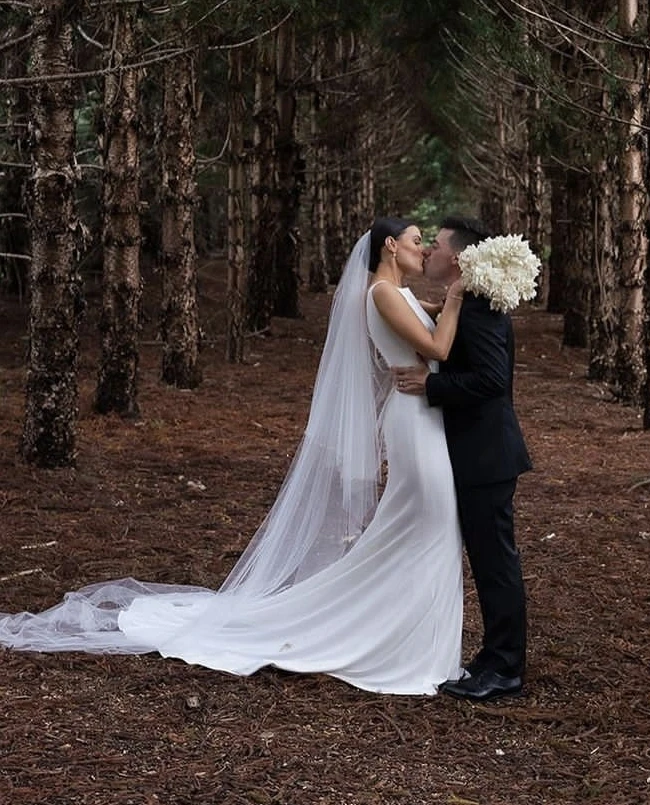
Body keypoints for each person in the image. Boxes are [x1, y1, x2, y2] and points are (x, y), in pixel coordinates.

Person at [0, 217, 468, 696]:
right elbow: (437, 345)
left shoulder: (397, 294)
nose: (422, 248)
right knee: (430, 518)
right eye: (415, 241)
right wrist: (454, 298)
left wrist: (465, 289)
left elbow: (426, 316)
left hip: (423, 414)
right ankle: (393, 636)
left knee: (426, 523)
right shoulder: (381, 293)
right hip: (412, 419)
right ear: (390, 246)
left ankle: (402, 630)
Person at [393, 215, 532, 702]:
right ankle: (493, 657)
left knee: (496, 564)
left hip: (488, 455)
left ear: (456, 257)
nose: (427, 252)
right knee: (488, 561)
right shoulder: (467, 302)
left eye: (435, 246)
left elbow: (493, 381)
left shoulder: (477, 308)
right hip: (477, 454)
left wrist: (431, 385)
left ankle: (506, 669)